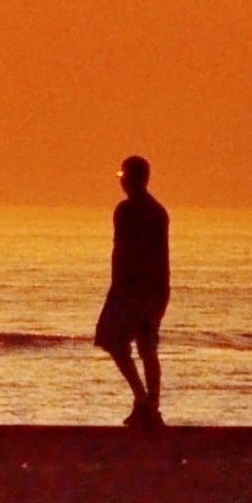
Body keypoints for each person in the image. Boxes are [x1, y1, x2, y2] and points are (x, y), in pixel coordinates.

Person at [94, 154, 170, 429]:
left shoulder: (132, 211)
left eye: (124, 176)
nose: (122, 182)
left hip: (135, 288)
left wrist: (121, 287)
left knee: (129, 343)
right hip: (148, 288)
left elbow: (126, 252)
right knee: (135, 345)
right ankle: (146, 401)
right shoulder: (155, 211)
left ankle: (147, 402)